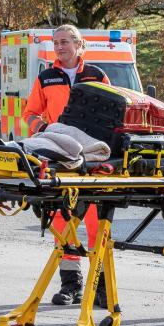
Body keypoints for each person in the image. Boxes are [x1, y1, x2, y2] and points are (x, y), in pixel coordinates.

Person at [23, 24, 110, 307]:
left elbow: (112, 110)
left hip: (92, 158)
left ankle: (101, 287)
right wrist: (44, 129)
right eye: (55, 42)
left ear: (78, 44)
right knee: (63, 222)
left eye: (64, 42)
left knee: (99, 223)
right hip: (60, 159)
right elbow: (30, 113)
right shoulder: (46, 77)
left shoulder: (96, 75)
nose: (59, 47)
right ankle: (71, 285)